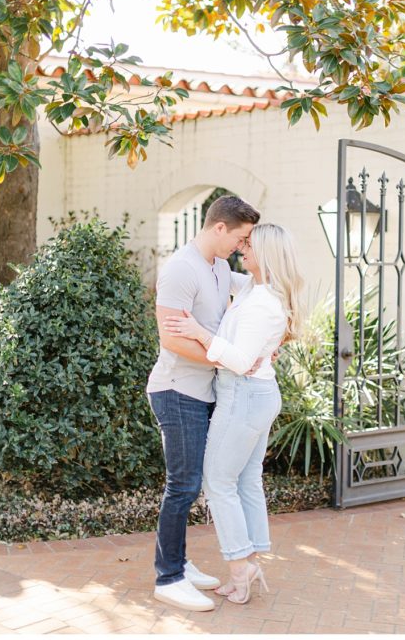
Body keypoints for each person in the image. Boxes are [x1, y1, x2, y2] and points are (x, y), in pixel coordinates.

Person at [163, 223, 304, 604]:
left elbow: (240, 361)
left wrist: (198, 330)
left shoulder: (261, 302)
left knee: (218, 482)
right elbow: (224, 279)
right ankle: (251, 558)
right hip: (257, 394)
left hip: (243, 395)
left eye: (250, 246)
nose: (243, 249)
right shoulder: (255, 289)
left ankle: (241, 570)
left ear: (268, 256)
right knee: (246, 480)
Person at [148, 195, 261, 611]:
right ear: (220, 228)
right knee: (182, 486)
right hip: (176, 390)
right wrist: (229, 360)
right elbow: (171, 339)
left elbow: (259, 287)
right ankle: (169, 577)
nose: (242, 246)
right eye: (241, 237)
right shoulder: (182, 268)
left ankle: (180, 561)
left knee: (196, 483)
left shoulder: (219, 267)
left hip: (203, 390)